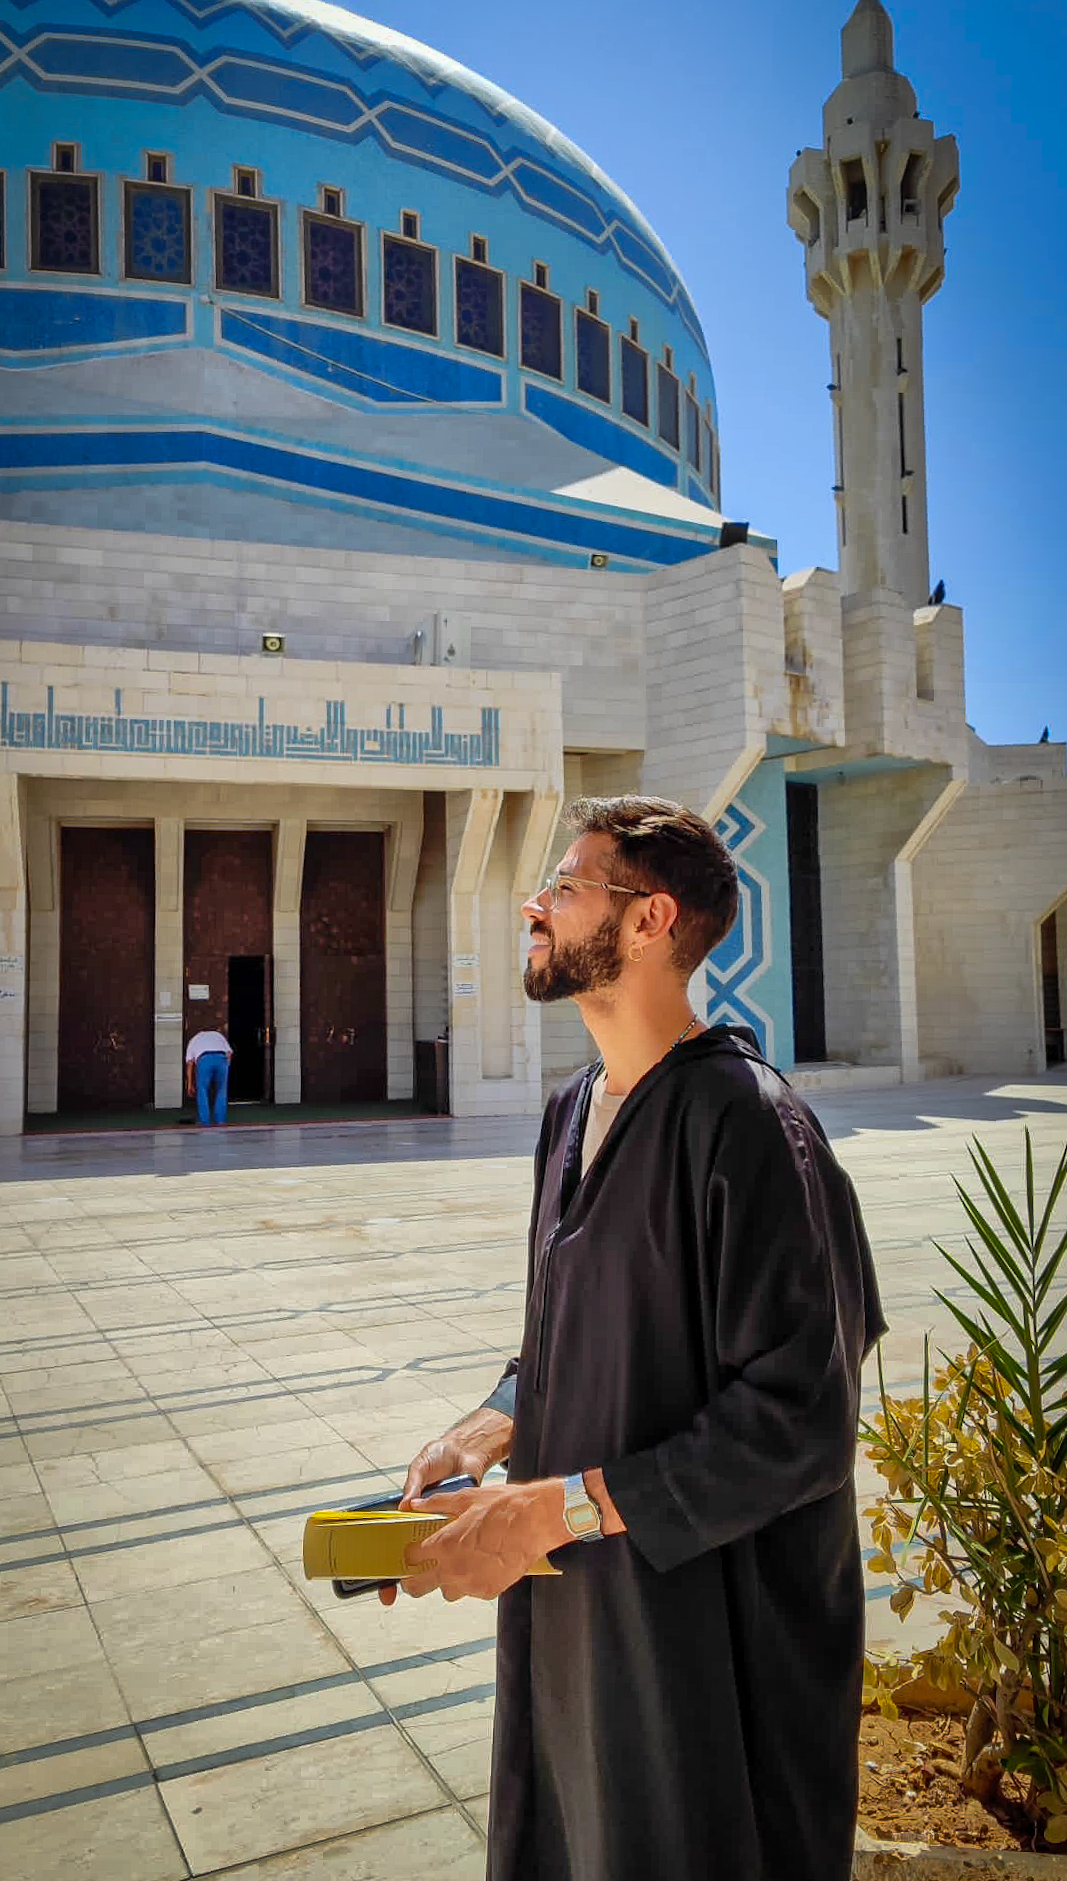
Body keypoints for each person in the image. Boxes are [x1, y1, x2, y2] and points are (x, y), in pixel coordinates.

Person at [382, 795, 885, 1881]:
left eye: (564, 887)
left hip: (701, 1658)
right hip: (584, 1624)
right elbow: (574, 1330)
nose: (534, 904)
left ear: (650, 920)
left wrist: (551, 1511)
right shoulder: (570, 1113)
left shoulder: (750, 1123)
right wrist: (489, 1425)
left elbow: (799, 1420)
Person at [184, 1027, 233, 1125]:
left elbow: (190, 1064)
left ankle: (205, 1121)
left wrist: (189, 1084)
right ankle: (221, 1121)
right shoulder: (219, 1036)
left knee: (202, 1090)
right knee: (222, 1090)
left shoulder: (194, 1039)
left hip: (204, 1059)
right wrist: (225, 1067)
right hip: (221, 1058)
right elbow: (229, 1054)